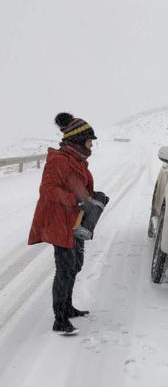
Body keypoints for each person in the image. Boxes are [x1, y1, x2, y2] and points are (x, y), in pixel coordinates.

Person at [28, 113, 107, 335]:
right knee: (64, 268)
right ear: (78, 140)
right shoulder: (59, 160)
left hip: (74, 221)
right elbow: (48, 191)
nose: (92, 145)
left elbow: (78, 187)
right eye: (89, 141)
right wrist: (78, 200)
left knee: (75, 265)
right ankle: (59, 318)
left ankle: (69, 307)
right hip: (58, 221)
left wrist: (92, 197)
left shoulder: (77, 160)